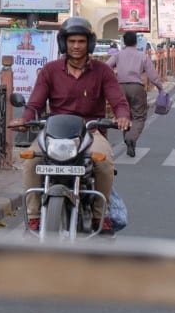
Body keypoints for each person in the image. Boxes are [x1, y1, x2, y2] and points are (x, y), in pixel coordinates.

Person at [9, 17, 131, 234]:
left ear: (89, 44)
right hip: (54, 132)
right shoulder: (50, 70)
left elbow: (118, 101)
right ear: (64, 43)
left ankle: (98, 216)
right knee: (30, 160)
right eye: (72, 41)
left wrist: (122, 116)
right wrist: (24, 119)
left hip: (90, 132)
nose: (76, 46)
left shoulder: (103, 71)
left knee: (104, 163)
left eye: (81, 41)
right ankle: (34, 216)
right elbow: (35, 103)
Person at [107, 31, 163, 157]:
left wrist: (113, 76)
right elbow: (153, 75)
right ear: (136, 42)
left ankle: (128, 140)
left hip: (120, 87)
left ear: (124, 42)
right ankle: (131, 138)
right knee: (139, 116)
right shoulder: (142, 56)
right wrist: (160, 88)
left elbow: (106, 67)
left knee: (124, 115)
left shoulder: (118, 55)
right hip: (136, 87)